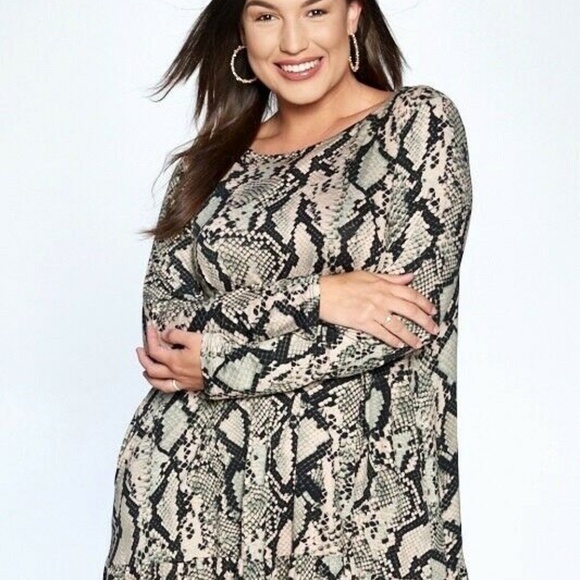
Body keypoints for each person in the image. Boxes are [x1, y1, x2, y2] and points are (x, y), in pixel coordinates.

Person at [102, 0, 473, 578]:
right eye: (266, 16)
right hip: (187, 502)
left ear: (353, 15)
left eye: (315, 10)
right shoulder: (205, 164)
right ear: (241, 29)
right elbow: (167, 330)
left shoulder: (416, 125)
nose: (294, 42)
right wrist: (322, 295)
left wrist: (218, 362)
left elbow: (402, 324)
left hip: (355, 510)